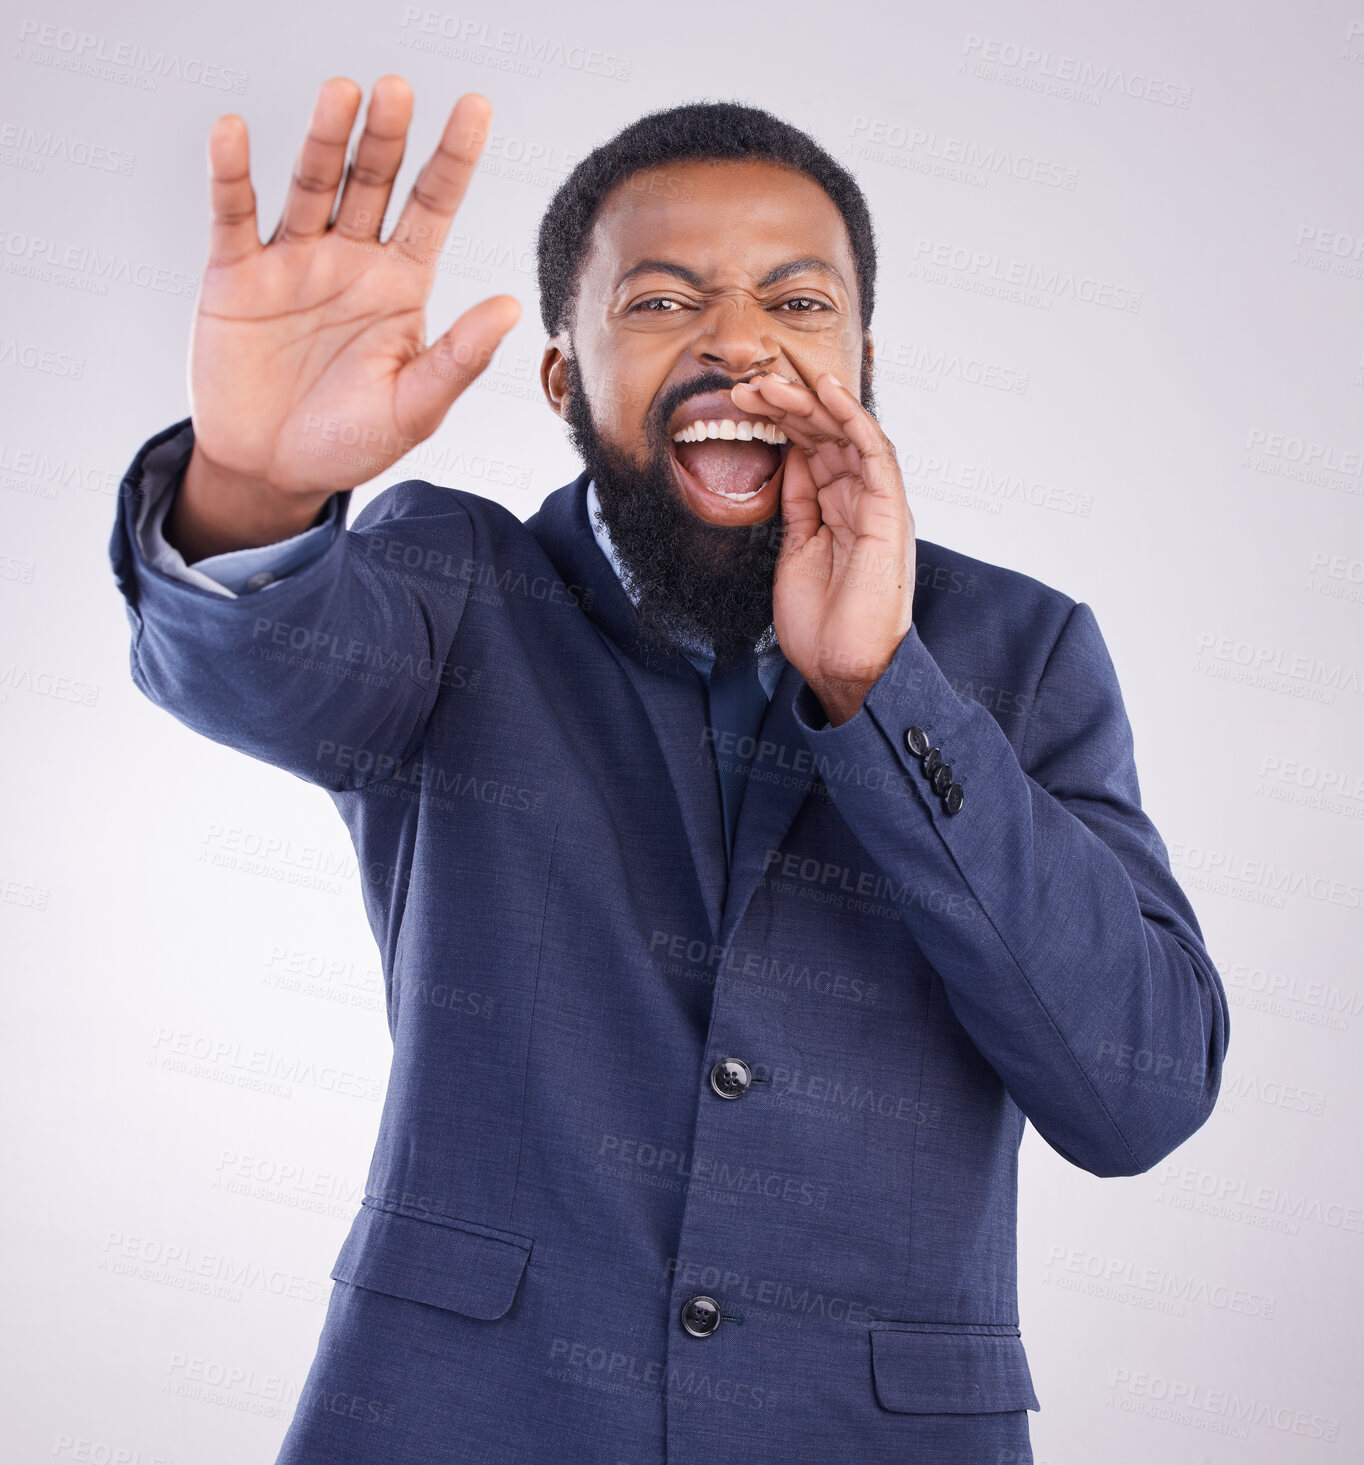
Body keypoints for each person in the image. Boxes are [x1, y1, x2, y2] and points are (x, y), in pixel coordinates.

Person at [108, 76, 1229, 1465]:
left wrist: (879, 688)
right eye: (661, 301)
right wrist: (254, 487)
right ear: (564, 372)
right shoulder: (456, 589)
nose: (739, 346)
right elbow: (254, 661)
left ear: (865, 358)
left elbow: (1139, 1092)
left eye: (798, 303)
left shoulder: (1023, 649)